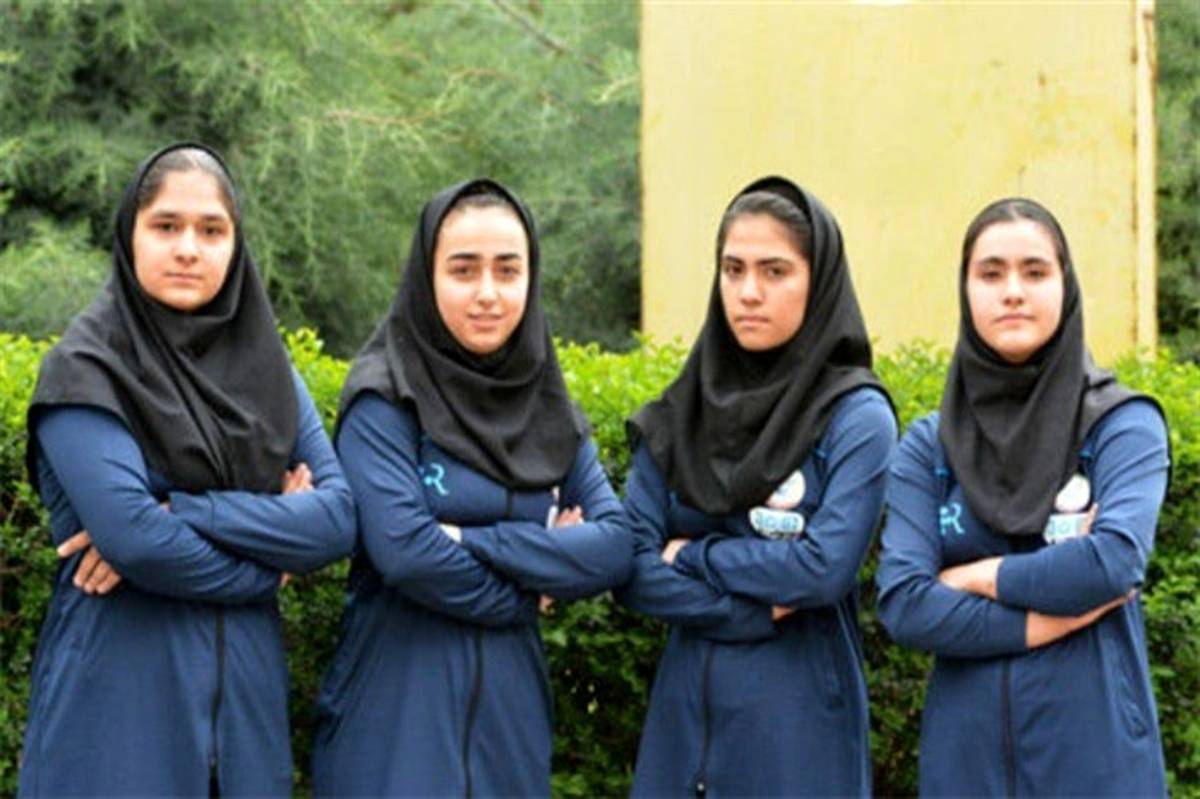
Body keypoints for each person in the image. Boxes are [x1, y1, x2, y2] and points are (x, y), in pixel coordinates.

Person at [18, 143, 356, 796]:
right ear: (130, 234)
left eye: (211, 230)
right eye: (166, 226)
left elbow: (338, 518)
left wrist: (191, 510)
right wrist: (273, 556)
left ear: (235, 245)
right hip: (117, 714)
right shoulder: (85, 370)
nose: (188, 249)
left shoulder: (268, 373)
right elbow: (139, 540)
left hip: (246, 712)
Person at [310, 178, 631, 797]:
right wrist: (534, 582)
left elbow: (614, 547)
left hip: (511, 723)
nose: (488, 293)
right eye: (463, 270)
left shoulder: (549, 409)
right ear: (426, 278)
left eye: (508, 271)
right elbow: (406, 553)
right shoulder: (384, 400)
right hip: (392, 723)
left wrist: (462, 538)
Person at [876, 198, 1170, 796]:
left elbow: (1112, 562)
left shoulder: (1120, 425)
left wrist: (975, 576)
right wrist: (1048, 619)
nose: (1013, 292)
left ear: (1066, 285)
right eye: (991, 273)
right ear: (965, 291)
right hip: (965, 768)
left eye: (1035, 272)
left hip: (1098, 763)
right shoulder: (930, 446)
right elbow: (905, 604)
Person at [616, 176, 896, 797]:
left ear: (818, 281)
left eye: (775, 271)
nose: (748, 293)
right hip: (683, 725)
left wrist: (694, 555)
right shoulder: (681, 411)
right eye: (733, 269)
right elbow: (631, 567)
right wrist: (752, 609)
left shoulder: (855, 416)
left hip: (798, 729)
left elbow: (822, 571)